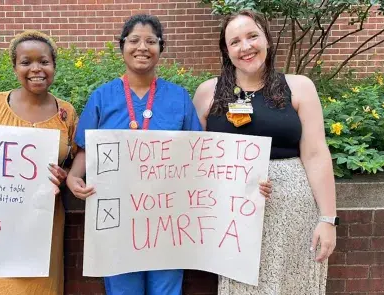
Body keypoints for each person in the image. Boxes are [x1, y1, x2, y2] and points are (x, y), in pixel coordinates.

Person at [66, 14, 272, 295]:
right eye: (134, 40)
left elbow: (202, 157)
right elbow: (87, 147)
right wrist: (74, 177)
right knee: (122, 289)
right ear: (122, 46)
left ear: (161, 48)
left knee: (166, 289)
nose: (142, 47)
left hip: (168, 220)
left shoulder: (178, 98)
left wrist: (247, 181)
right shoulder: (103, 97)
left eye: (151, 41)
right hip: (117, 221)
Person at [193, 10, 337, 295]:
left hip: (292, 212)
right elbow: (196, 159)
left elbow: (316, 154)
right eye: (235, 41)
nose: (245, 47)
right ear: (226, 50)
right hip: (233, 216)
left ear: (267, 40)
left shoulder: (300, 87)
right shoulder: (207, 93)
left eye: (252, 36)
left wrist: (328, 219)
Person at [0, 30, 78, 295]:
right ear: (15, 67)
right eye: (26, 62)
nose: (36, 69)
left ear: (54, 65)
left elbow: (73, 161)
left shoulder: (66, 113)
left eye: (44, 61)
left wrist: (64, 173)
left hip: (42, 228)